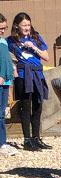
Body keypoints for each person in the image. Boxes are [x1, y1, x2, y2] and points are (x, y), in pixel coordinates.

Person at [7, 12, 52, 151]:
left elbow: (46, 57)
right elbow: (8, 58)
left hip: (37, 74)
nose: (27, 27)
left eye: (28, 24)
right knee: (25, 107)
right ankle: (27, 140)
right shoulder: (11, 41)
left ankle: (36, 138)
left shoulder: (36, 37)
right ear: (17, 26)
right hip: (22, 75)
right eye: (23, 25)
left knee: (38, 106)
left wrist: (34, 48)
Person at [0, 13, 18, 156]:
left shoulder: (3, 42)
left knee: (1, 114)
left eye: (4, 28)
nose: (2, 31)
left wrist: (12, 70)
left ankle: (3, 143)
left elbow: (6, 60)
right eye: (0, 28)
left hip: (5, 82)